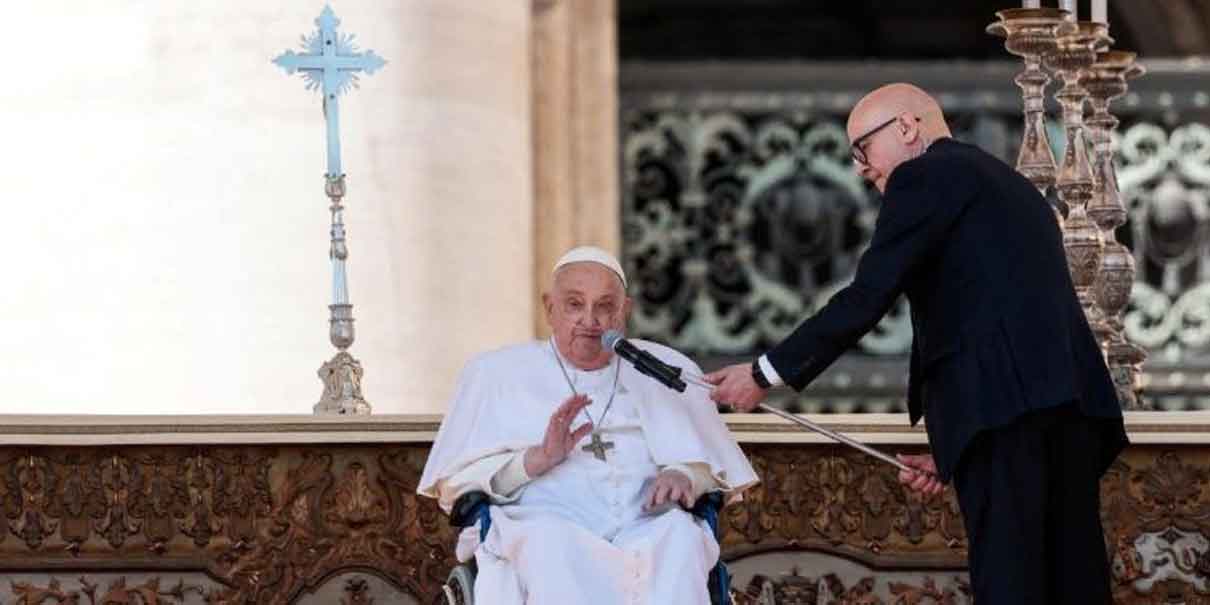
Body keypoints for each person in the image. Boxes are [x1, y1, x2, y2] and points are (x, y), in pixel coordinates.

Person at [705, 83, 1128, 604]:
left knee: (1012, 587)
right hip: (1066, 415)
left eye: (863, 149)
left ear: (907, 128)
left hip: (1008, 420)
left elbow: (867, 295)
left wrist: (763, 373)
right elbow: (988, 312)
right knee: (1072, 582)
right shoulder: (1001, 181)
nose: (861, 168)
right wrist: (956, 440)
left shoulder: (923, 175)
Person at [419, 245, 758, 604]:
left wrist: (685, 474)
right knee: (549, 545)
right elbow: (456, 488)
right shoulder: (494, 374)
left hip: (647, 528)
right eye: (575, 304)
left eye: (605, 306)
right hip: (547, 524)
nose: (590, 320)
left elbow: (714, 470)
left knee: (681, 537)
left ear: (624, 312)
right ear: (550, 308)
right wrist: (535, 460)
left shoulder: (664, 368)